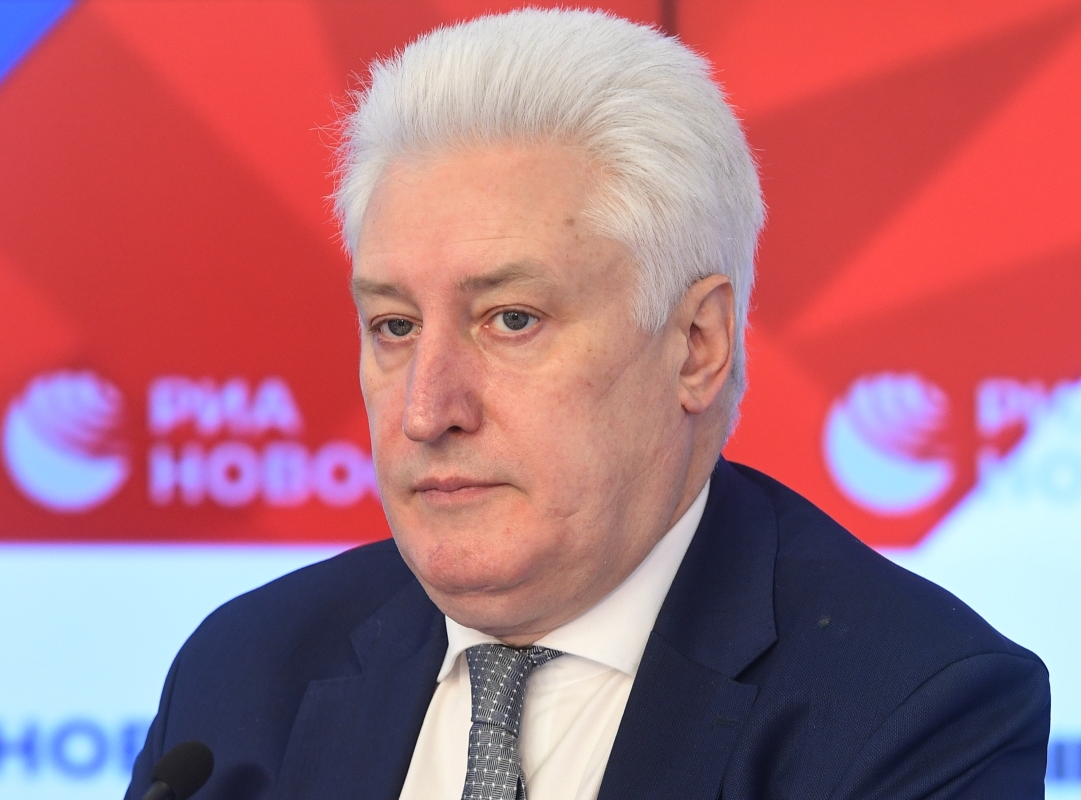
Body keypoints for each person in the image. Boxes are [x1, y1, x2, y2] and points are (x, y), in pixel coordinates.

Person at [125, 9, 1050, 800]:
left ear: (697, 345)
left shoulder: (912, 709)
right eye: (395, 327)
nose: (426, 411)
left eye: (511, 319)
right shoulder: (243, 679)